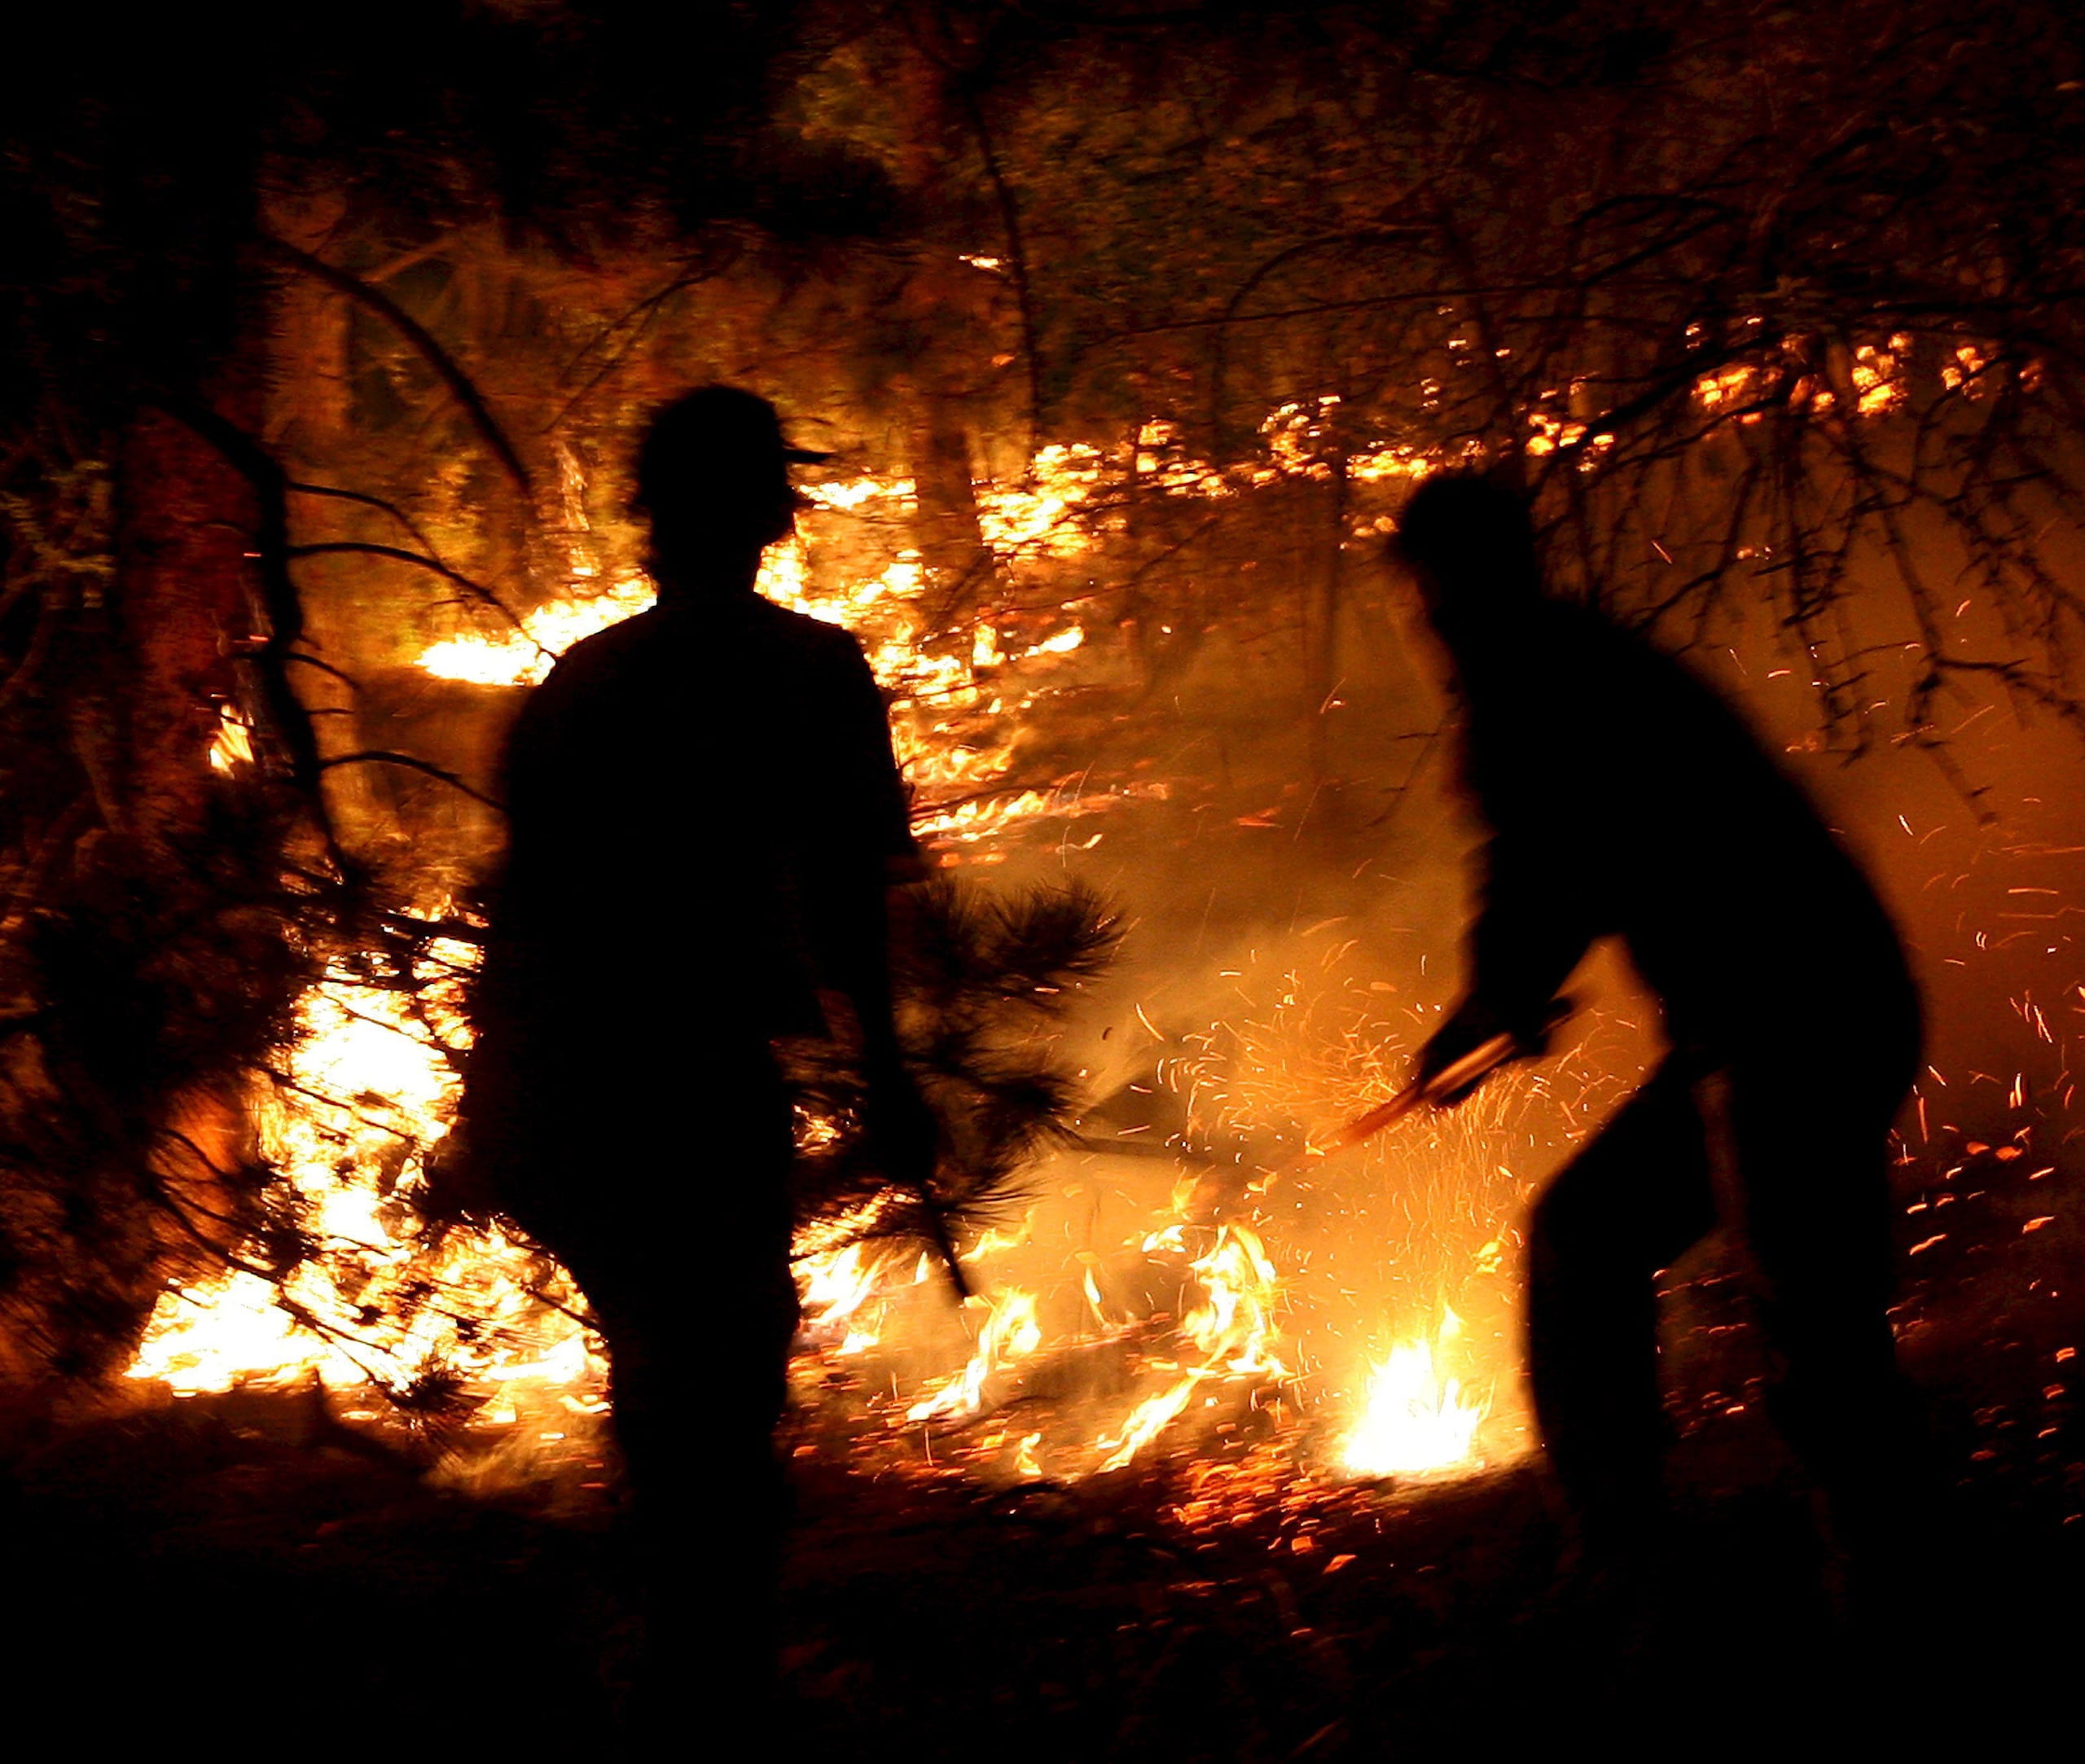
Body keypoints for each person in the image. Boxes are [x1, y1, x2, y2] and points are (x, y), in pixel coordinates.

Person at [462, 384, 933, 1723]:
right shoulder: (810, 673)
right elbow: (849, 900)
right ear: (772, 514)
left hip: (570, 1080)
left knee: (672, 1376)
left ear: (650, 520)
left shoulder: (585, 682)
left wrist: (489, 1110)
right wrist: (888, 1078)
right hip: (686, 1077)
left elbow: (521, 911)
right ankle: (712, 1673)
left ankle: (689, 1656)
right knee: (720, 1377)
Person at [1396, 469, 1923, 1572]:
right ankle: (1645, 1558)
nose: (1429, 622)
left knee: (1812, 1326)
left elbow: (1546, 871)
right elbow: (1545, 878)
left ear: (1466, 583)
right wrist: (1497, 1006)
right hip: (1786, 1014)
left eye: (1435, 594)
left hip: (1795, 1022)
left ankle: (1876, 1606)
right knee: (1589, 1237)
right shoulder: (1568, 664)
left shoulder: (1541, 684)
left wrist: (1496, 1006)